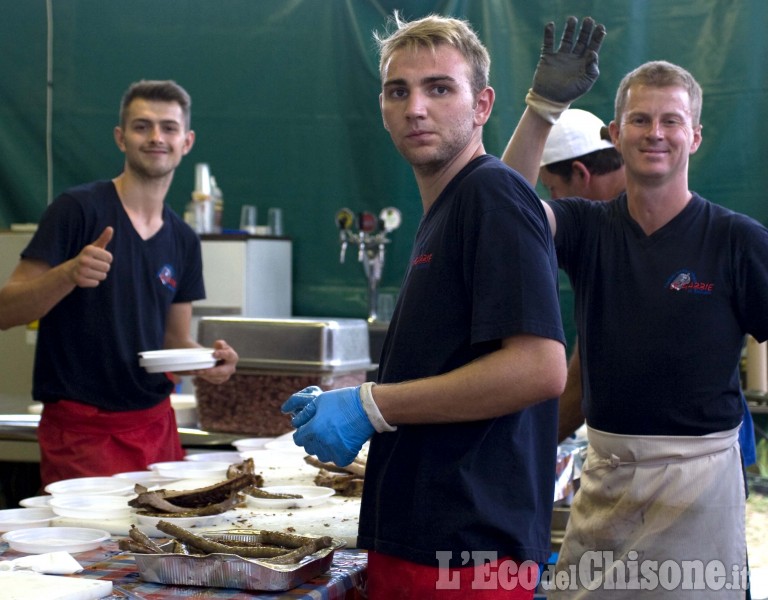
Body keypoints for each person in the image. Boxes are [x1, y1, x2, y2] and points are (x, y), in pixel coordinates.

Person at [281, 13, 602, 600]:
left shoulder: (490, 194)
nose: (416, 108)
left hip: (462, 557)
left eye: (439, 88)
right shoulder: (460, 202)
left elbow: (540, 368)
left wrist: (369, 405)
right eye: (397, 91)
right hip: (433, 545)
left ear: (481, 106)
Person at [503, 21, 768, 597]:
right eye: (641, 120)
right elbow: (502, 208)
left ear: (695, 136)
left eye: (672, 120)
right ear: (615, 134)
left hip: (702, 488)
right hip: (607, 481)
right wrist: (543, 108)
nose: (656, 133)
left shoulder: (737, 241)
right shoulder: (586, 226)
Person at [0, 80, 239, 488]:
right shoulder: (77, 210)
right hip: (81, 432)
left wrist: (208, 362)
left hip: (155, 428)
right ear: (120, 137)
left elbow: (174, 339)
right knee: (93, 550)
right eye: (142, 126)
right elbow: (6, 311)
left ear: (187, 141)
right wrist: (67, 274)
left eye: (168, 127)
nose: (156, 138)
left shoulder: (183, 239)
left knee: (159, 546)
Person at [541, 109, 758, 468]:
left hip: (709, 458)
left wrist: (528, 452)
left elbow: (580, 381)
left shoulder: (728, 235)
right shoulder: (598, 235)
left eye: (553, 189)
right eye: (640, 121)